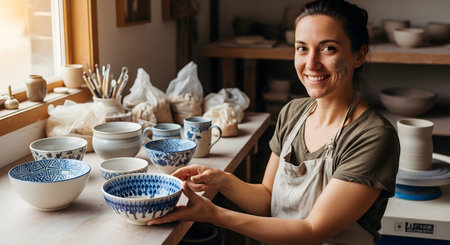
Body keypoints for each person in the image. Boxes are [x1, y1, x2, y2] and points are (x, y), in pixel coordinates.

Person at [148, 0, 400, 244]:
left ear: (360, 55)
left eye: (328, 48)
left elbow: (313, 231)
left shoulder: (372, 136)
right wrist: (221, 180)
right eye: (302, 48)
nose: (310, 63)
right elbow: (268, 199)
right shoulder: (292, 113)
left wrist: (214, 214)